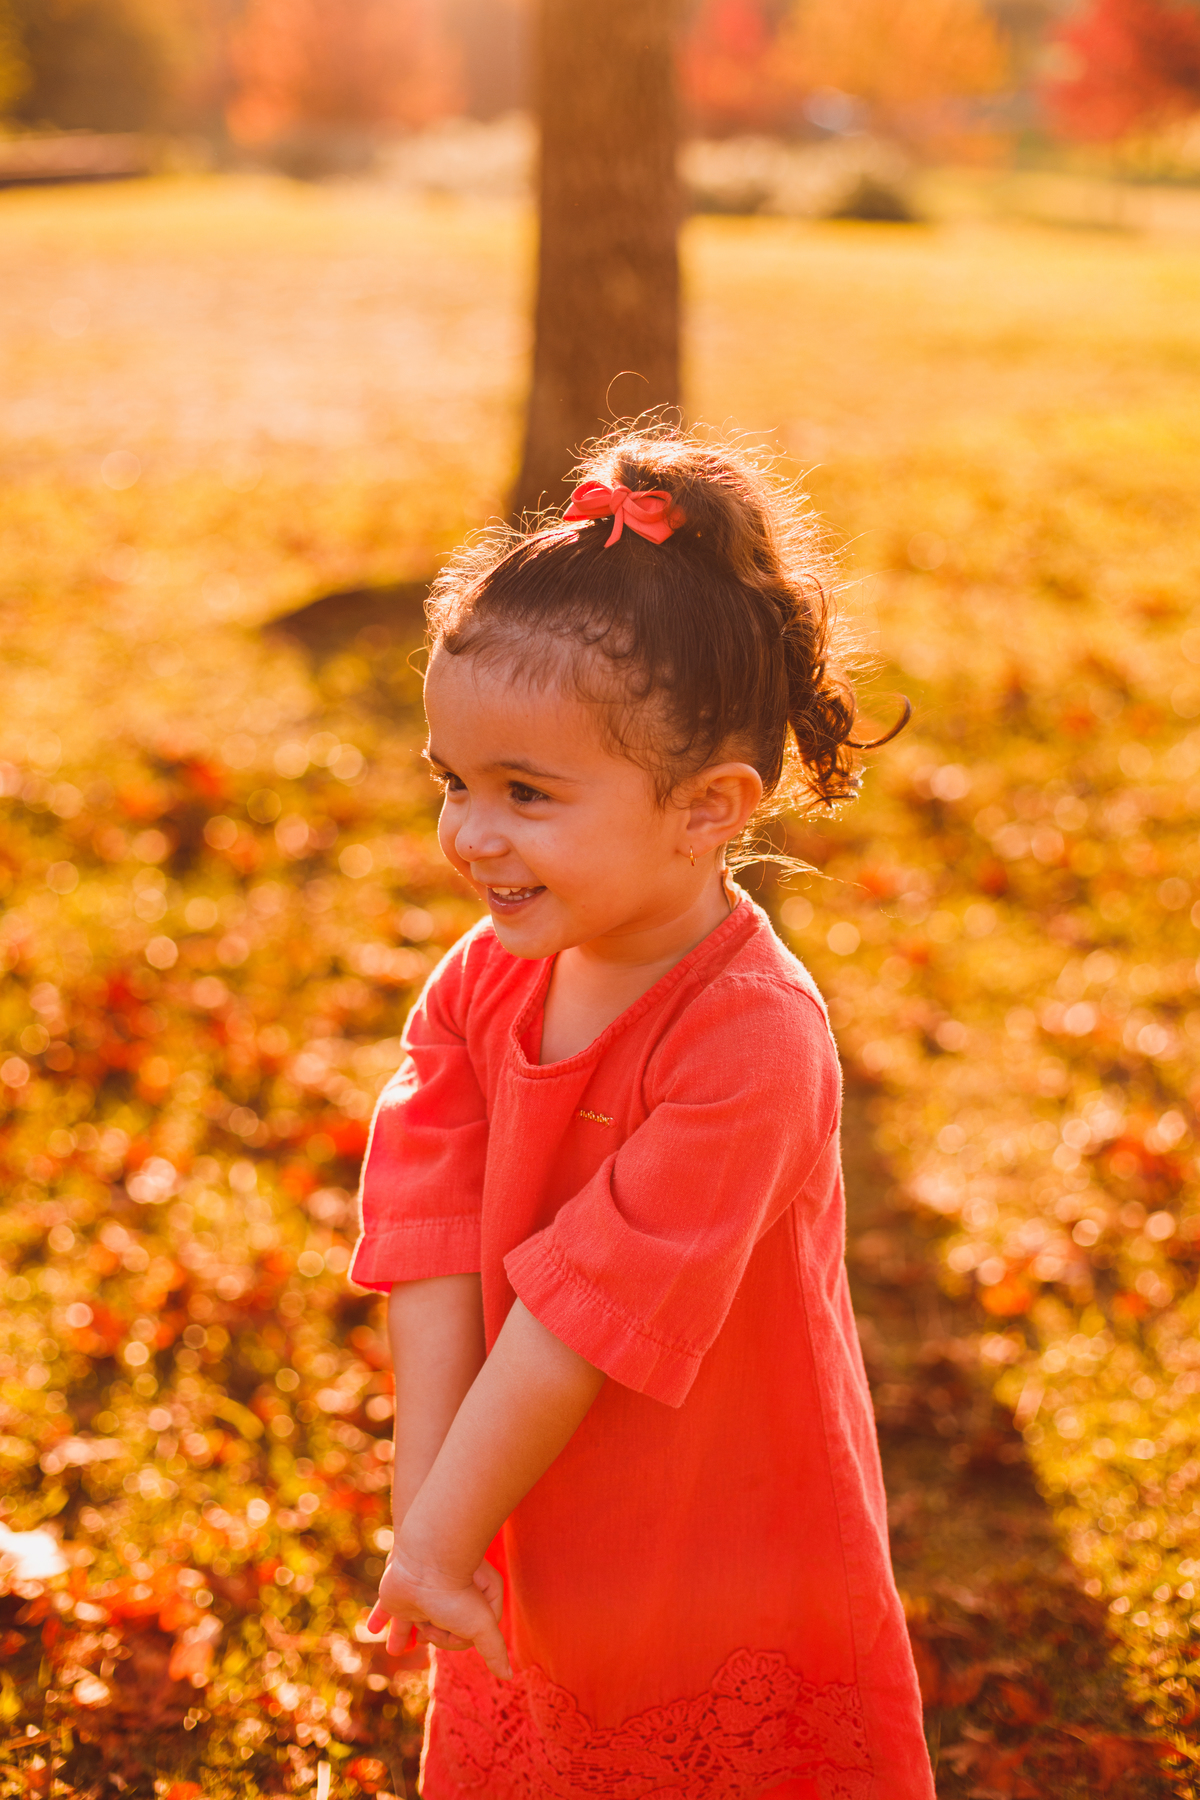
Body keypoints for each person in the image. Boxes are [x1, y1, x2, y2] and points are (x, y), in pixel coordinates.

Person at [351, 426, 934, 1799]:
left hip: (717, 1526)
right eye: (453, 782)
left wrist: (442, 1533)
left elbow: (574, 1330)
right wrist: (433, 1518)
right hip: (516, 1483)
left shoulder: (749, 1043)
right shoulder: (480, 983)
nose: (471, 833)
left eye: (526, 793)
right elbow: (431, 1250)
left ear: (708, 807)